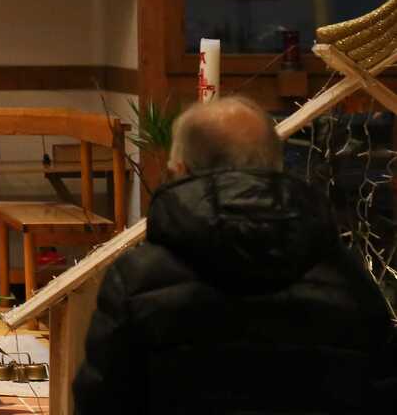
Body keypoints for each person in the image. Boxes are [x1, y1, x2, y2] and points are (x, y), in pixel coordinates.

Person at [73, 96, 397, 414]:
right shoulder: (345, 276)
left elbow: (101, 401)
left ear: (180, 170)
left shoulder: (137, 278)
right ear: (276, 166)